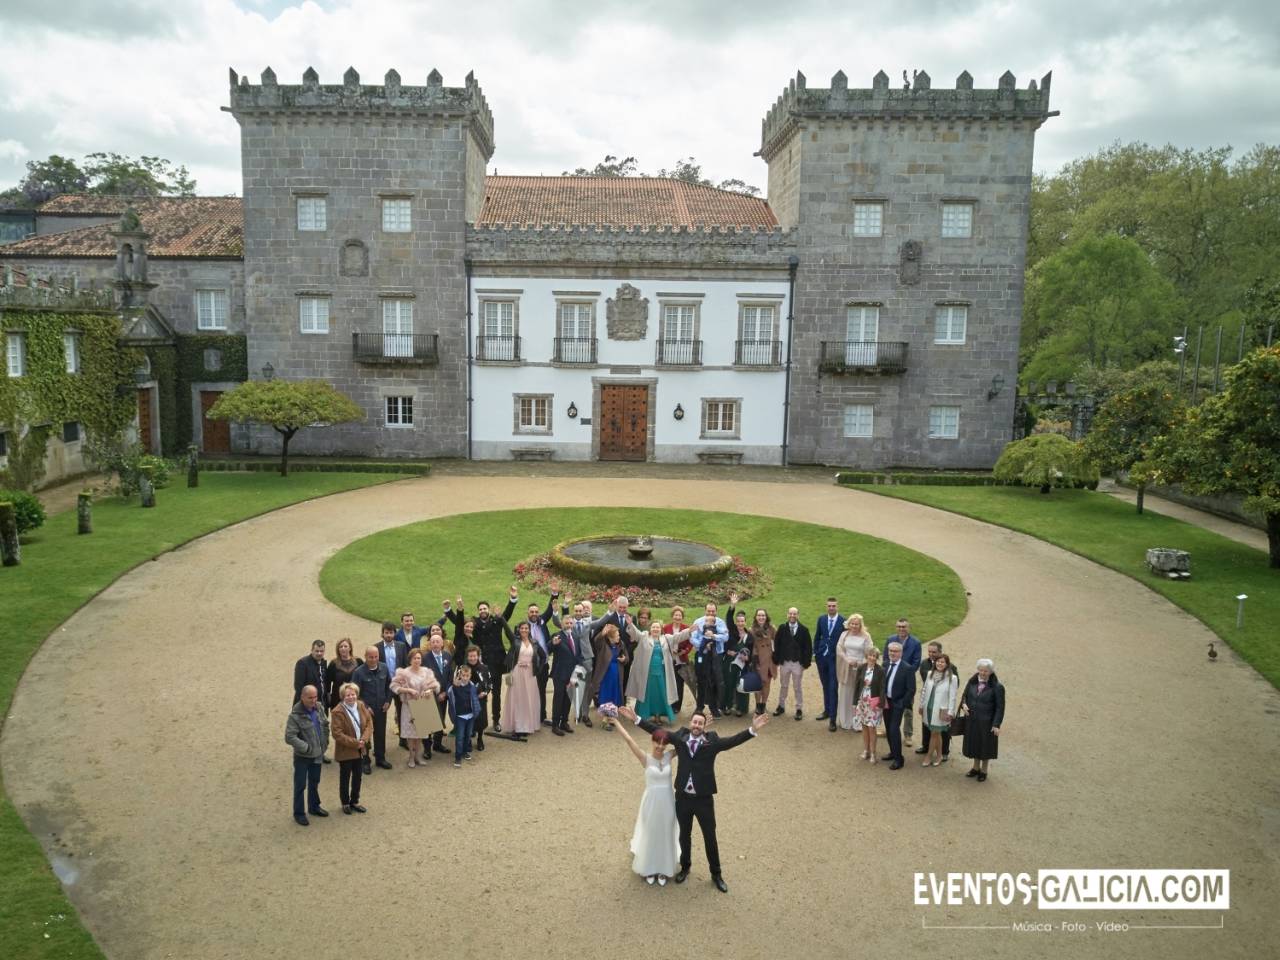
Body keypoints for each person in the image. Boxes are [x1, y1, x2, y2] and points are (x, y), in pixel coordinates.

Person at [622, 704, 768, 894]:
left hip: (704, 799)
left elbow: (732, 741)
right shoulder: (680, 738)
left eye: (701, 723)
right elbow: (658, 730)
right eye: (695, 722)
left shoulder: (712, 742)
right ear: (691, 723)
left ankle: (716, 874)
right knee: (684, 835)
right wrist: (636, 719)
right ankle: (685, 868)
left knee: (710, 837)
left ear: (704, 725)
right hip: (683, 798)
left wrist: (752, 730)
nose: (697, 725)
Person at [613, 719, 679, 885]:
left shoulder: (670, 755)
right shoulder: (645, 758)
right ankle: (649, 867)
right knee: (651, 831)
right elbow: (629, 740)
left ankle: (664, 868)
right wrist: (615, 721)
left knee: (666, 831)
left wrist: (700, 730)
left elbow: (686, 743)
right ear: (652, 741)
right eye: (658, 743)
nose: (660, 747)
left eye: (664, 744)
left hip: (668, 801)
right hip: (651, 802)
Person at [284, 684, 329, 826]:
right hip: (303, 757)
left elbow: (325, 724)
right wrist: (306, 748)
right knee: (300, 785)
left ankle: (314, 807)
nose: (313, 700)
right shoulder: (295, 716)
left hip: (318, 754)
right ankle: (299, 813)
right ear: (302, 697)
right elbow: (289, 737)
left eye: (315, 697)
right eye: (310, 697)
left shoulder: (320, 708)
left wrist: (325, 743)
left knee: (314, 782)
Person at [473, 589, 517, 731]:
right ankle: (479, 722)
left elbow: (507, 614)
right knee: (481, 693)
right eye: (480, 609)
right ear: (478, 611)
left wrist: (512, 599)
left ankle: (496, 720)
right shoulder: (474, 624)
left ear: (488, 610)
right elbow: (460, 623)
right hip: (482, 664)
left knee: (496, 693)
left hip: (497, 663)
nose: (483, 611)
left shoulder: (496, 620)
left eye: (485, 608)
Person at [514, 590, 560, 726]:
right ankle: (528, 717)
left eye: (536, 612)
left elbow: (549, 610)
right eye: (531, 612)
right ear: (527, 613)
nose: (534, 614)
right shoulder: (521, 628)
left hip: (543, 664)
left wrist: (554, 594)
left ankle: (541, 716)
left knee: (541, 690)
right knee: (527, 692)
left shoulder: (541, 621)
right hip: (528, 665)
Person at [390, 648, 440, 766]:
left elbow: (435, 685)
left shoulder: (427, 671)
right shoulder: (403, 673)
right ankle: (411, 758)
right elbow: (393, 686)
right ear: (410, 660)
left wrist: (428, 690)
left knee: (420, 734)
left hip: (423, 706)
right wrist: (408, 690)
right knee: (411, 735)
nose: (417, 660)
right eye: (414, 658)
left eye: (419, 658)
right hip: (409, 707)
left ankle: (418, 756)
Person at [625, 619, 678, 725]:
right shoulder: (644, 636)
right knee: (646, 693)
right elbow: (635, 634)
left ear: (661, 629)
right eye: (653, 627)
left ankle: (658, 716)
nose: (655, 629)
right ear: (650, 628)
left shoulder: (666, 638)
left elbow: (679, 636)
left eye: (657, 627)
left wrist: (689, 631)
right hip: (647, 673)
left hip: (661, 672)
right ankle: (643, 716)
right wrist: (630, 624)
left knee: (661, 693)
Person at [330, 682, 373, 813]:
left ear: (357, 695)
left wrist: (364, 740)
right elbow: (337, 734)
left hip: (360, 748)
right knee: (345, 777)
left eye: (353, 694)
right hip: (346, 751)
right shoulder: (337, 711)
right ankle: (345, 803)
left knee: (358, 777)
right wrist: (356, 743)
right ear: (343, 696)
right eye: (347, 695)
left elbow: (369, 723)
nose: (351, 697)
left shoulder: (360, 705)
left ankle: (354, 801)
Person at [961, 658, 1005, 782]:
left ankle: (984, 770)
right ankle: (975, 767)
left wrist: (996, 724)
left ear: (991, 672)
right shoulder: (972, 682)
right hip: (973, 720)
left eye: (985, 671)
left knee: (985, 746)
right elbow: (965, 695)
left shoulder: (997, 687)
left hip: (987, 722)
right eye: (980, 670)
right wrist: (964, 704)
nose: (982, 673)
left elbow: (1000, 708)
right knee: (975, 743)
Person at [352, 644, 394, 772]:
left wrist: (388, 701)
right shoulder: (358, 672)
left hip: (381, 709)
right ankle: (365, 761)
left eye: (376, 657)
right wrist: (365, 706)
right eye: (370, 657)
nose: (373, 659)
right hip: (365, 711)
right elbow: (354, 694)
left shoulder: (384, 668)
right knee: (365, 736)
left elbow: (389, 686)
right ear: (365, 657)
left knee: (380, 734)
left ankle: (380, 758)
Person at [501, 621, 545, 740]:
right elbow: (507, 631)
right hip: (517, 673)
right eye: (522, 628)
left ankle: (527, 726)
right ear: (519, 629)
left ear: (529, 630)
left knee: (528, 699)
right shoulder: (515, 641)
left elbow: (544, 656)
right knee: (517, 699)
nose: (524, 630)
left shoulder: (534, 643)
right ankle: (517, 726)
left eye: (526, 628)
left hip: (530, 674)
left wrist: (538, 669)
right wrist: (501, 618)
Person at [915, 642, 958, 761]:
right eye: (929, 651)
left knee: (940, 731)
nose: (931, 654)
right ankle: (926, 746)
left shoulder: (952, 670)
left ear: (939, 652)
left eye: (934, 652)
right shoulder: (925, 665)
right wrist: (921, 704)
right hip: (929, 702)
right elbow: (925, 687)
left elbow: (953, 692)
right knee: (928, 727)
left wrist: (951, 710)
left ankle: (943, 752)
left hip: (941, 705)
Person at [885, 618, 922, 746]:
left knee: (907, 708)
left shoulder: (915, 643)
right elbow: (885, 658)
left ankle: (908, 734)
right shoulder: (890, 639)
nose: (901, 629)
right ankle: (890, 730)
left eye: (904, 627)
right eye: (899, 626)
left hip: (906, 679)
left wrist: (906, 673)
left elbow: (916, 662)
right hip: (892, 677)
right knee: (888, 707)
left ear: (908, 628)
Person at [293, 639, 331, 763]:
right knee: (306, 731)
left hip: (321, 704)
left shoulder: (324, 663)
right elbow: (299, 687)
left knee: (320, 730)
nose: (319, 653)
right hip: (307, 705)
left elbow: (325, 683)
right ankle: (305, 755)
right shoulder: (303, 663)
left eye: (321, 651)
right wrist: (308, 705)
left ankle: (320, 753)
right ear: (312, 650)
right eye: (317, 651)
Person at [835, 614, 874, 731]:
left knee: (858, 694)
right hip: (846, 667)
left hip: (860, 667)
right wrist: (847, 659)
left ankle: (857, 722)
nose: (854, 626)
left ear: (860, 625)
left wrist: (860, 662)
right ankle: (844, 720)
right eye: (852, 623)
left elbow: (870, 652)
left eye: (856, 624)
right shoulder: (844, 634)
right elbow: (839, 648)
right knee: (845, 693)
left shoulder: (866, 636)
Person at [881, 641, 916, 770]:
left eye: (895, 651)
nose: (892, 653)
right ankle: (893, 752)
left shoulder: (907, 668)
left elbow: (911, 689)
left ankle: (899, 759)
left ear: (901, 653)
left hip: (898, 703)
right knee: (888, 728)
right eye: (890, 651)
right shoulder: (885, 664)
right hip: (886, 702)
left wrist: (902, 703)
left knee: (894, 729)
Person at [772, 606, 811, 720]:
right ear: (787, 614)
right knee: (783, 685)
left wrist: (805, 663)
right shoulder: (782, 628)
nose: (792, 616)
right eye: (790, 613)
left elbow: (808, 648)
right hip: (785, 662)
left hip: (797, 663)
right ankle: (781, 705)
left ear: (798, 615)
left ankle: (799, 708)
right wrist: (777, 659)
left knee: (797, 686)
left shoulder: (804, 630)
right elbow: (777, 644)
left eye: (794, 614)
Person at [375, 622, 410, 749]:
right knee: (380, 715)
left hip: (399, 684)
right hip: (383, 686)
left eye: (391, 632)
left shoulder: (401, 646)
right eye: (386, 632)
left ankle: (403, 739)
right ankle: (379, 746)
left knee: (403, 712)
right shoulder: (376, 648)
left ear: (394, 634)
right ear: (382, 633)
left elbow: (406, 664)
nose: (389, 635)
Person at [548, 613, 583, 735]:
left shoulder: (576, 636)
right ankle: (555, 724)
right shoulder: (557, 636)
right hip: (559, 674)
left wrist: (578, 670)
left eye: (570, 623)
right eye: (566, 623)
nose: (568, 625)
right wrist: (553, 644)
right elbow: (548, 649)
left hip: (572, 675)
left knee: (568, 699)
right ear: (562, 624)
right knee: (559, 698)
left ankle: (564, 722)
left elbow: (579, 655)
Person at [691, 602, 728, 717]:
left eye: (713, 611)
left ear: (716, 611)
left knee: (715, 681)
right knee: (701, 681)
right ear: (705, 610)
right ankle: (699, 707)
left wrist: (714, 636)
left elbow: (726, 637)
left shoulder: (721, 622)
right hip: (702, 655)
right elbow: (692, 638)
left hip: (716, 656)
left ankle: (714, 707)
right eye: (709, 611)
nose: (711, 613)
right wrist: (703, 646)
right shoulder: (698, 622)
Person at [813, 598, 844, 731]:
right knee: (825, 685)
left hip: (835, 658)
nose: (831, 608)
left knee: (833, 687)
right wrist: (816, 652)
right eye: (829, 606)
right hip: (822, 657)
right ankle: (826, 710)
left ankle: (832, 718)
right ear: (826, 606)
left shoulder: (843, 621)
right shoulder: (822, 619)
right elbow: (817, 636)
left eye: (834, 606)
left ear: (837, 607)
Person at [589, 623, 628, 730]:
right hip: (606, 676)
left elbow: (627, 657)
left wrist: (624, 659)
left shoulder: (621, 644)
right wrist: (602, 634)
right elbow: (596, 641)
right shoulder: (603, 645)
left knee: (615, 696)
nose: (619, 637)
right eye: (617, 635)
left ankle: (611, 718)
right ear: (610, 637)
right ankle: (605, 721)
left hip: (617, 675)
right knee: (606, 697)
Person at [422, 634, 454, 754]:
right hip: (431, 695)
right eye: (433, 642)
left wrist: (445, 692)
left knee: (440, 719)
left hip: (444, 695)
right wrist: (436, 694)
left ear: (442, 644)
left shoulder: (447, 656)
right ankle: (426, 749)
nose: (435, 644)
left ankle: (438, 744)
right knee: (429, 721)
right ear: (430, 645)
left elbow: (450, 675)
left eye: (437, 642)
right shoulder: (425, 659)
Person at [447, 665, 481, 767]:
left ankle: (465, 752)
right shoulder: (455, 686)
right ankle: (458, 757)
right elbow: (449, 694)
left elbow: (475, 699)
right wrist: (453, 684)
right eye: (463, 675)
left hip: (470, 716)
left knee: (468, 735)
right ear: (460, 675)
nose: (465, 677)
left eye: (467, 675)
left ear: (470, 676)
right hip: (460, 716)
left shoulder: (472, 686)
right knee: (460, 737)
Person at [854, 647, 885, 763]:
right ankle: (865, 750)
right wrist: (854, 702)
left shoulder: (880, 670)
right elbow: (857, 685)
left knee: (872, 728)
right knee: (864, 726)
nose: (872, 658)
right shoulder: (861, 668)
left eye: (874, 656)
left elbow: (882, 688)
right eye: (870, 655)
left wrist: (880, 704)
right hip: (862, 702)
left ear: (877, 658)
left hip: (873, 703)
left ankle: (873, 753)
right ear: (867, 656)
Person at [664, 605, 697, 714]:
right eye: (675, 615)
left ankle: (677, 707)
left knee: (679, 684)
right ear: (672, 616)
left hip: (681, 660)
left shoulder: (686, 628)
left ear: (682, 617)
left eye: (679, 615)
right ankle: (669, 705)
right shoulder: (666, 628)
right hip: (669, 660)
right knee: (669, 683)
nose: (677, 617)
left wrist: (685, 651)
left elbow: (690, 642)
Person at [722, 603, 751, 717]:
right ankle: (728, 706)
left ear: (745, 622)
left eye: (742, 621)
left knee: (741, 685)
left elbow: (752, 651)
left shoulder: (749, 635)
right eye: (738, 621)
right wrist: (732, 606)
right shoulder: (732, 631)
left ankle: (741, 708)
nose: (740, 623)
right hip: (729, 663)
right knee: (729, 684)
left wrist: (747, 658)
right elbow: (729, 618)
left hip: (742, 665)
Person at [462, 645, 492, 752]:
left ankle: (480, 739)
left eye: (474, 656)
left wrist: (485, 692)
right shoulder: (462, 668)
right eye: (470, 656)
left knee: (480, 720)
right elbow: (458, 683)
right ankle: (468, 740)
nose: (472, 658)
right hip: (466, 700)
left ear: (478, 656)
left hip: (480, 698)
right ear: (467, 656)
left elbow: (489, 684)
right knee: (468, 719)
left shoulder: (484, 668)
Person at [748, 607, 777, 716]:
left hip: (769, 661)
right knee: (757, 684)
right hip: (757, 660)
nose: (761, 617)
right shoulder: (751, 630)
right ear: (756, 617)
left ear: (766, 617)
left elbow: (777, 642)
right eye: (759, 615)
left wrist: (775, 656)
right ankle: (757, 704)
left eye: (763, 615)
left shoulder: (772, 628)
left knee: (766, 683)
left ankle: (763, 705)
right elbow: (750, 646)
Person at [325, 638, 360, 710]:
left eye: (345, 646)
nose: (343, 648)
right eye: (340, 647)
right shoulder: (333, 664)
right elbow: (327, 682)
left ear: (350, 648)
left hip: (354, 698)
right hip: (337, 700)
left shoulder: (358, 662)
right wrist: (328, 697)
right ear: (338, 650)